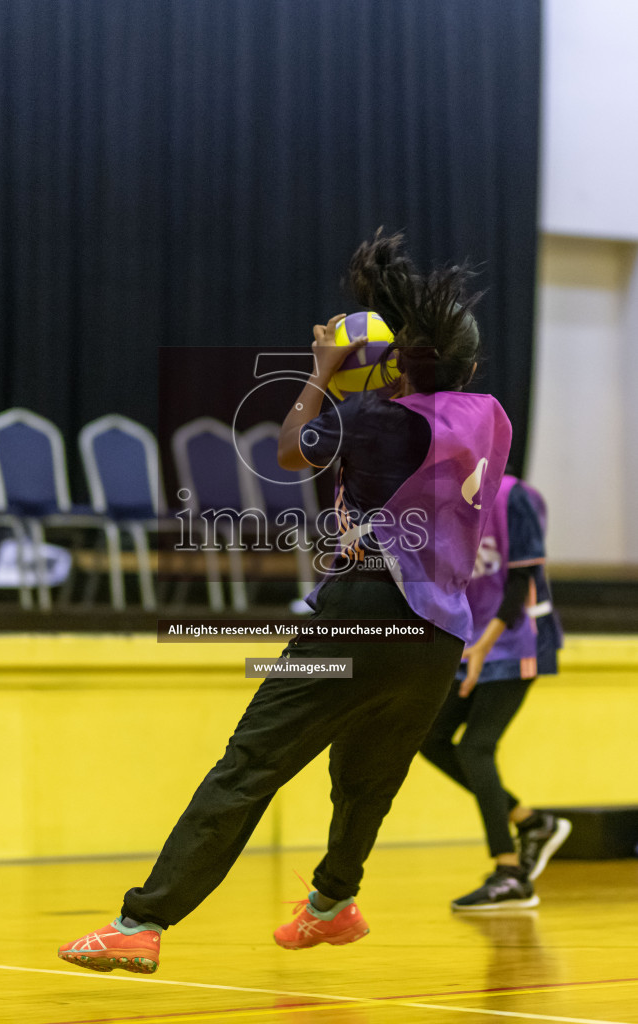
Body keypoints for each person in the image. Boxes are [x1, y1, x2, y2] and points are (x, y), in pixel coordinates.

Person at [58, 230, 512, 974]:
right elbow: (420, 401)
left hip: (360, 616)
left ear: (400, 360)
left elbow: (292, 447)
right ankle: (331, 904)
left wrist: (323, 369)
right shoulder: (487, 419)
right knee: (367, 779)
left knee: (249, 764)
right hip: (437, 636)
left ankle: (140, 922)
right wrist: (392, 361)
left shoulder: (373, 422)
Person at [420, 471, 569, 911]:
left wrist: (484, 646)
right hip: (475, 642)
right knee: (430, 737)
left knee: (476, 748)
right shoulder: (439, 505)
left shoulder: (513, 497)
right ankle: (531, 821)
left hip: (520, 638)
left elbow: (521, 583)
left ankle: (510, 873)